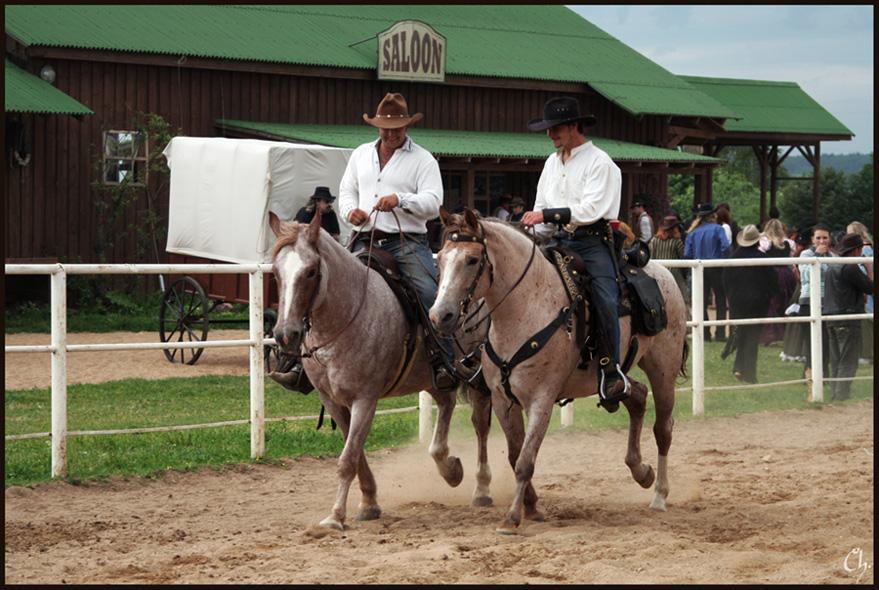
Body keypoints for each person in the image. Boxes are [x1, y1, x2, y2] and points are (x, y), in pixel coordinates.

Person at [270, 92, 457, 393]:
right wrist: (349, 212)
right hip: (363, 239)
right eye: (386, 127)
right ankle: (299, 361)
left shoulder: (423, 159)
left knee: (428, 292)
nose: (391, 133)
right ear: (377, 127)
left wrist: (401, 199)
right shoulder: (360, 155)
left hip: (407, 242)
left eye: (397, 128)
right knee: (320, 287)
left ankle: (444, 360)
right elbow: (345, 193)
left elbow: (434, 203)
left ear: (406, 127)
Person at [520, 96, 629, 412]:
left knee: (606, 298)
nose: (550, 135)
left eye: (555, 128)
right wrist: (526, 234)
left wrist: (545, 216)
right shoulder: (552, 162)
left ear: (574, 126)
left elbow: (591, 210)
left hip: (591, 242)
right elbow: (540, 208)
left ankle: (612, 370)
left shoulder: (600, 162)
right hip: (555, 241)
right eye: (548, 129)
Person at [722, 225, 779, 383]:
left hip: (737, 303)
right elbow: (773, 280)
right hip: (757, 303)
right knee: (752, 337)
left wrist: (732, 297)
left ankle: (739, 367)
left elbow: (725, 281)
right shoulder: (763, 258)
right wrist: (771, 294)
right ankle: (749, 374)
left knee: (741, 333)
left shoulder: (732, 259)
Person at [823, 233, 873, 401]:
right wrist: (868, 269)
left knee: (837, 361)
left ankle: (835, 396)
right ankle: (841, 397)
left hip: (831, 318)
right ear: (857, 250)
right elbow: (869, 287)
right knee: (848, 362)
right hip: (848, 318)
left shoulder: (832, 267)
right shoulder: (850, 267)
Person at [684, 203, 731, 341]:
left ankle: (705, 334)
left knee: (701, 301)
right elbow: (726, 247)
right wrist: (721, 259)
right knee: (721, 300)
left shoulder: (693, 232)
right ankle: (720, 333)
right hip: (716, 266)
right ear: (712, 216)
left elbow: (687, 253)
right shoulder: (718, 229)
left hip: (699, 268)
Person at [797, 222, 833, 388]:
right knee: (811, 342)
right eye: (818, 237)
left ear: (829, 239)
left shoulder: (834, 257)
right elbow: (806, 275)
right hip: (808, 302)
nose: (821, 241)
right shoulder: (805, 254)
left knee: (826, 342)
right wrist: (817, 257)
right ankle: (809, 377)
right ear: (812, 239)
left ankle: (824, 378)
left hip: (829, 303)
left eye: (825, 237)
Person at [759, 218, 797, 346]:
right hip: (786, 275)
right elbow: (792, 263)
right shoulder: (789, 243)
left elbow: (760, 261)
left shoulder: (764, 242)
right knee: (786, 303)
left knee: (771, 305)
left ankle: (772, 337)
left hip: (770, 275)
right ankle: (787, 335)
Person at [846, 220, 874, 365]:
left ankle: (866, 353)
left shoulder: (864, 249)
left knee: (866, 321)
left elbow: (862, 269)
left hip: (866, 287)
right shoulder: (868, 247)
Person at [649, 216, 690, 309]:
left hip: (658, 275)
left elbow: (650, 258)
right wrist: (685, 275)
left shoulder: (654, 241)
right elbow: (683, 261)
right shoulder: (677, 242)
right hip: (675, 275)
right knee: (682, 302)